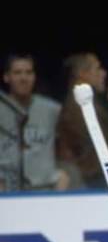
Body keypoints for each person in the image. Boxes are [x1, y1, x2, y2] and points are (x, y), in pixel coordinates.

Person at [56, 52, 108, 189]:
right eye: (97, 68)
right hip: (91, 183)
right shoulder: (79, 108)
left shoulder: (94, 105)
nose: (103, 73)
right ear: (82, 74)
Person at [0, 54, 69, 191]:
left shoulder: (52, 110)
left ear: (34, 77)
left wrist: (63, 173)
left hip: (45, 190)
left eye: (28, 72)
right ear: (6, 77)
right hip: (7, 191)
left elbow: (67, 147)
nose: (23, 78)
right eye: (17, 73)